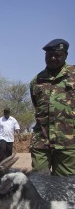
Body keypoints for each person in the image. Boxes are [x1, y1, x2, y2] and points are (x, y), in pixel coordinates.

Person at [30, 39, 75, 176]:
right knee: (39, 183)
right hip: (41, 142)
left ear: (66, 55)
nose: (53, 58)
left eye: (57, 55)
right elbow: (36, 106)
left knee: (65, 185)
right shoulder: (36, 80)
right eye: (49, 55)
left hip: (68, 142)